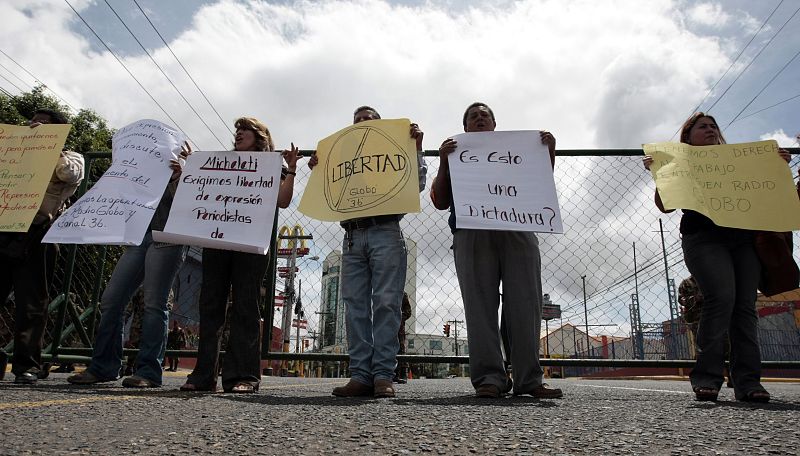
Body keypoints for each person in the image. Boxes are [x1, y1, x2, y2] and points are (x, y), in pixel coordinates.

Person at [643, 112, 791, 402]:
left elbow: (765, 190)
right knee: (721, 297)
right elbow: (665, 206)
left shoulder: (738, 162)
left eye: (713, 126)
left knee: (745, 307)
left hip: (743, 239)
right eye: (703, 127)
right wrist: (660, 174)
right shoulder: (679, 163)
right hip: (703, 238)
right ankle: (708, 377)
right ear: (688, 137)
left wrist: (777, 167)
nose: (710, 130)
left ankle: (748, 382)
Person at [430, 102, 562, 399]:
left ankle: (529, 379)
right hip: (471, 233)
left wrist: (548, 151)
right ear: (465, 128)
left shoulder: (517, 151)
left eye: (484, 115)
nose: (479, 118)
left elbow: (539, 185)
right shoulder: (456, 153)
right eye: (473, 116)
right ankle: (490, 378)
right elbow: (439, 201)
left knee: (526, 304)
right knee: (479, 306)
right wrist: (443, 161)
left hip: (517, 230)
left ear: (494, 124)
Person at [309, 106, 427, 398]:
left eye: (368, 119)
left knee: (387, 303)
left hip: (385, 230)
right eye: (357, 120)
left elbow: (418, 182)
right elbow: (327, 190)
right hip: (352, 235)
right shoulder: (342, 157)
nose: (362, 123)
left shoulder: (394, 151)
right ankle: (360, 375)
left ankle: (383, 375)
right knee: (355, 306)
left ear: (381, 125)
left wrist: (417, 148)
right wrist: (318, 170)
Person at [181, 117, 298, 393]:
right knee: (210, 305)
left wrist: (291, 170)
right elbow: (199, 194)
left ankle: (244, 376)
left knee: (246, 305)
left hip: (251, 245)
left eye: (244, 130)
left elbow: (282, 201)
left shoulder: (271, 166)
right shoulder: (221, 165)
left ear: (259, 137)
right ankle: (202, 376)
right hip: (217, 240)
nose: (238, 134)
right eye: (237, 130)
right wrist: (190, 170)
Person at [67, 141, 190, 388]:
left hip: (168, 238)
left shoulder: (186, 169)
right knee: (112, 298)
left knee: (155, 303)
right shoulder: (139, 171)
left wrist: (180, 175)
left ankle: (148, 371)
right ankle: (103, 366)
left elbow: (190, 206)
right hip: (140, 237)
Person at [0, 109, 84, 384]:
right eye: (32, 122)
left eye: (45, 124)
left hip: (38, 233)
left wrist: (50, 147)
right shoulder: (16, 151)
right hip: (5, 228)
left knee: (32, 302)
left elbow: (70, 175)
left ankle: (27, 365)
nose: (35, 126)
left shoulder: (71, 157)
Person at [392, 292, 412, 384]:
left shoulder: (402, 294)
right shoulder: (383, 291)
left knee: (400, 348)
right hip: (384, 326)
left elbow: (408, 312)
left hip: (399, 328)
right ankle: (390, 373)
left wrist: (399, 317)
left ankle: (401, 373)